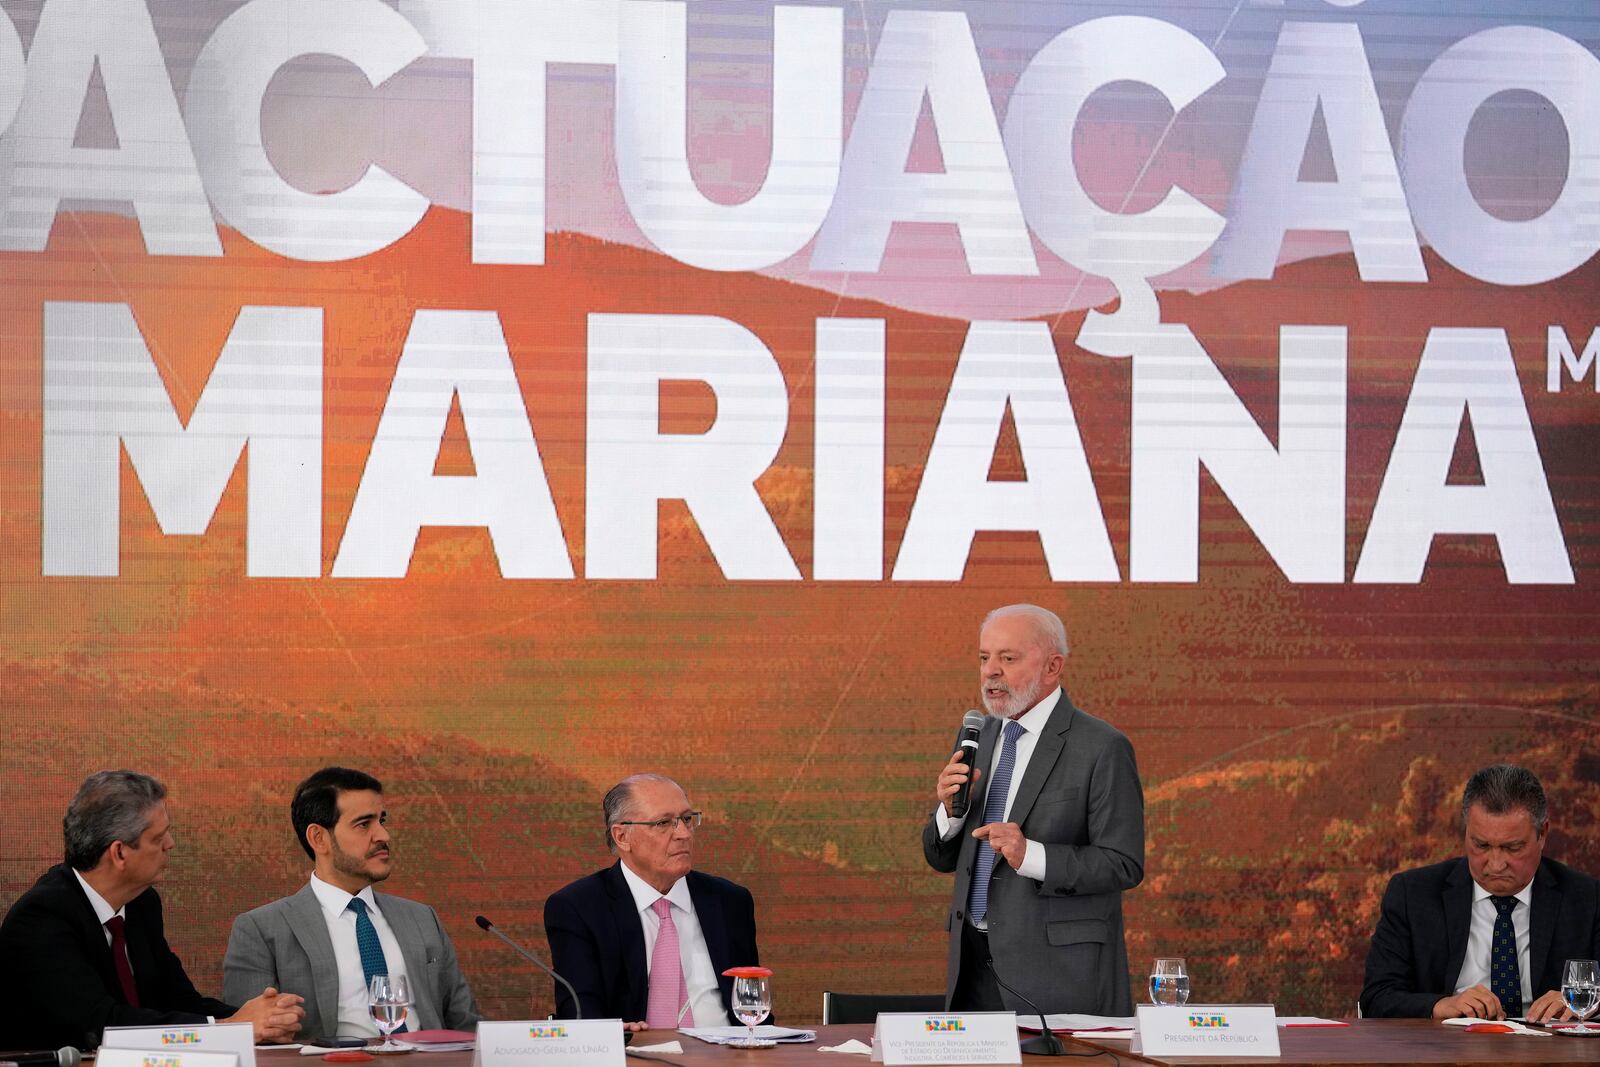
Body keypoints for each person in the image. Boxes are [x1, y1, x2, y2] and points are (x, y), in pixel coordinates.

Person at [923, 604, 1145, 1016]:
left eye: (1008, 659)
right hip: (973, 969)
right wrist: (949, 814)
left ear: (1053, 667)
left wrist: (1033, 856)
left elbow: (1123, 863)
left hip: (1058, 975)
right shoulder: (979, 735)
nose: (991, 671)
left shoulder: (1101, 747)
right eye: (984, 657)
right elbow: (941, 858)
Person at [0, 770, 304, 1049]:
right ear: (119, 852)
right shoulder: (40, 920)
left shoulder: (142, 903)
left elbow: (179, 1000)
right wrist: (231, 1028)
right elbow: (101, 1025)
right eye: (158, 838)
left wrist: (260, 1019)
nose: (170, 844)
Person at [222, 767, 479, 1041]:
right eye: (364, 824)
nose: (383, 836)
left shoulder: (421, 918)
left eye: (382, 820)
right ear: (319, 838)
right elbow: (251, 1038)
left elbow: (465, 1023)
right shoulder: (262, 929)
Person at [1361, 763, 1600, 1022]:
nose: (1496, 864)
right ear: (1466, 832)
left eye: (1513, 848)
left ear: (1542, 834)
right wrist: (1442, 1006)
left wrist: (1585, 1004)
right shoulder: (1413, 894)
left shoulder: (1587, 898)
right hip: (1445, 1052)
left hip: (1549, 1055)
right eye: (1481, 845)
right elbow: (1377, 997)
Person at [544, 774, 761, 1029]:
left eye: (687, 819)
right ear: (622, 836)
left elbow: (753, 1006)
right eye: (663, 823)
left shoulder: (729, 901)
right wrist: (611, 1033)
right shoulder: (579, 907)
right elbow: (579, 1012)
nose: (683, 834)